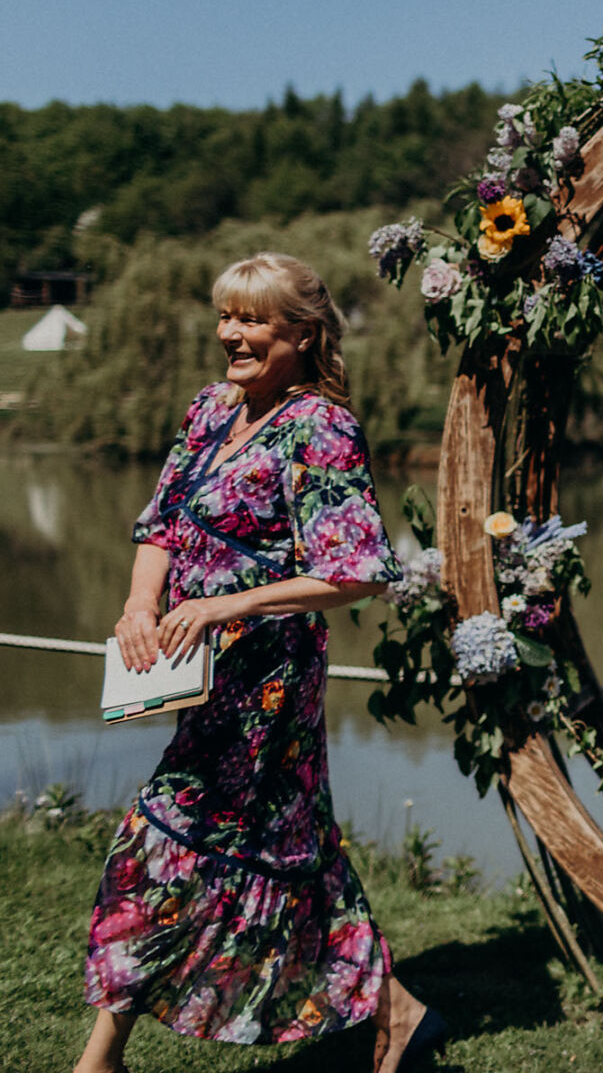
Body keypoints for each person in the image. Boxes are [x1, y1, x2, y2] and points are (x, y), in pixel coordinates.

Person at [78, 254, 446, 1073]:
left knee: (164, 834)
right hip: (198, 675)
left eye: (250, 320)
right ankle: (398, 1014)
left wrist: (222, 604)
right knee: (287, 849)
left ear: (302, 334)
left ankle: (99, 1058)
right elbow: (162, 524)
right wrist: (143, 606)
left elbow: (352, 569)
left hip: (268, 682)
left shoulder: (321, 426)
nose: (228, 335)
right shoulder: (211, 409)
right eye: (224, 317)